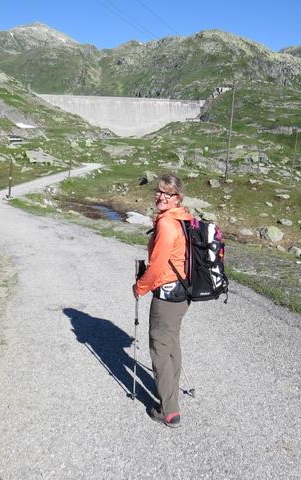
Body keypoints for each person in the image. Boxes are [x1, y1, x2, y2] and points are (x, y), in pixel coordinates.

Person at [132, 173, 193, 428]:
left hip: (167, 295)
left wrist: (140, 287)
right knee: (171, 345)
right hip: (183, 293)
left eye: (166, 193)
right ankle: (171, 392)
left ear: (177, 197)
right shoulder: (184, 218)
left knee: (159, 348)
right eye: (158, 191)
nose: (159, 196)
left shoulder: (168, 224)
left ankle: (169, 411)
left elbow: (157, 266)